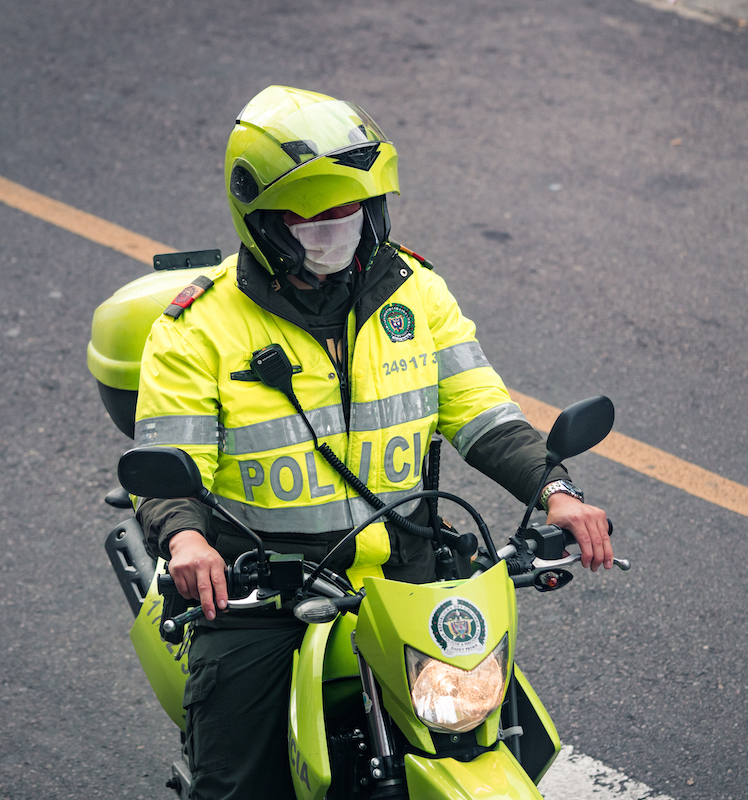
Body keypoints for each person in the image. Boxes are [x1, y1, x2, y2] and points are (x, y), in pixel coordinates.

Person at [132, 85, 611, 800]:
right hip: (266, 593)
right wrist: (187, 543)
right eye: (314, 214)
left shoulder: (415, 294)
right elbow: (171, 472)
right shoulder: (197, 328)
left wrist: (556, 491)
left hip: (407, 577)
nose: (337, 226)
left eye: (349, 208)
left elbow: (482, 411)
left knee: (505, 734)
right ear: (263, 219)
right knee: (234, 786)